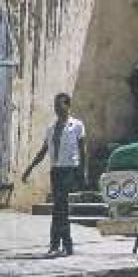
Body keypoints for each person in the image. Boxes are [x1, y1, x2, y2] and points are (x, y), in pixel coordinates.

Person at [22, 92, 86, 256]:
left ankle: (59, 244)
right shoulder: (51, 129)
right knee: (59, 208)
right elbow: (43, 152)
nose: (57, 109)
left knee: (60, 206)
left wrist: (83, 172)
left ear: (68, 106)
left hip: (69, 169)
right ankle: (62, 245)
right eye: (55, 106)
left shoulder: (77, 125)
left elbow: (82, 151)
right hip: (56, 170)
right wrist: (29, 169)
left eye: (60, 105)